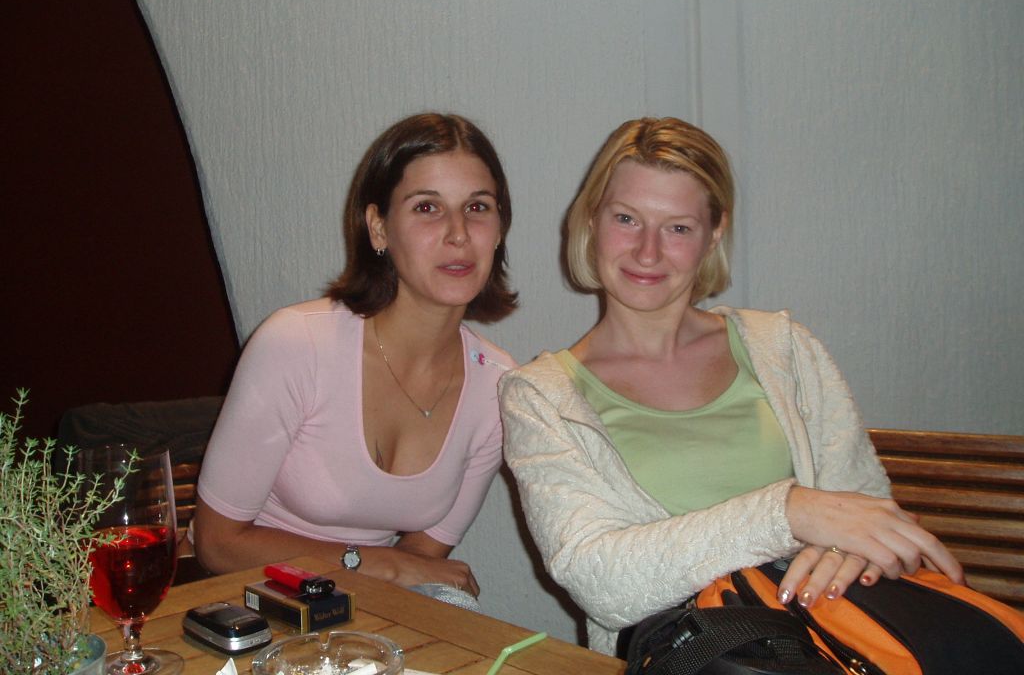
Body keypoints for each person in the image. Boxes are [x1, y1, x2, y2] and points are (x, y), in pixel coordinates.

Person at [498, 117, 963, 654]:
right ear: (590, 220)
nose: (647, 252)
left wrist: (842, 553)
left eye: (678, 228)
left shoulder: (785, 350)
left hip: (837, 649)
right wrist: (790, 513)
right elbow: (602, 583)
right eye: (626, 219)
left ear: (714, 234)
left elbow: (864, 515)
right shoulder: (538, 398)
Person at [194, 112, 517, 597]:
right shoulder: (296, 344)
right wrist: (367, 561)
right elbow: (216, 544)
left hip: (352, 614)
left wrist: (379, 573)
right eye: (427, 208)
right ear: (379, 229)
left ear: (499, 229)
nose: (458, 233)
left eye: (477, 207)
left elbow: (418, 564)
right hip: (239, 601)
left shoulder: (498, 387)